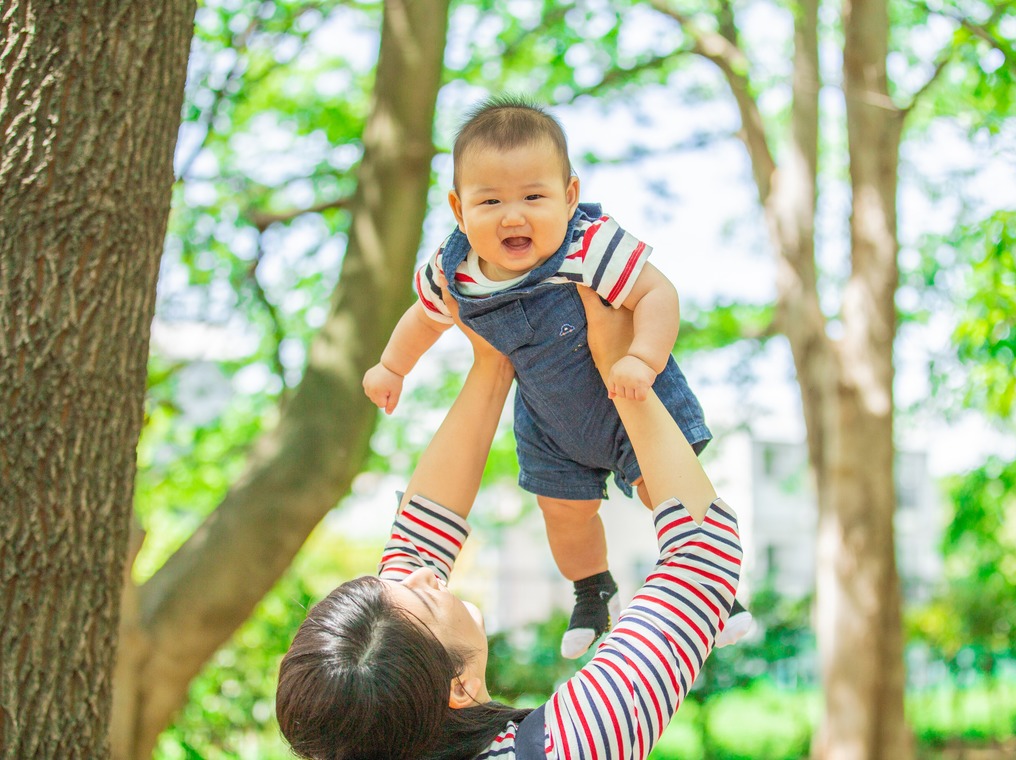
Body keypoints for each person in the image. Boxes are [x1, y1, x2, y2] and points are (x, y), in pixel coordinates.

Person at [279, 286, 744, 760]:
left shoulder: (374, 728)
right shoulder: (568, 747)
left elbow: (417, 545)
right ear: (457, 686)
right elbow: (702, 559)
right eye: (422, 596)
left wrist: (491, 361)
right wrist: (617, 367)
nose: (420, 573)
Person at [362, 95, 751, 657]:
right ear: (458, 208)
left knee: (657, 490)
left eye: (534, 196)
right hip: (547, 418)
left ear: (570, 196)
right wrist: (391, 365)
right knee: (562, 514)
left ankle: (718, 591)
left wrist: (642, 357)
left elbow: (656, 292)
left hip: (625, 393)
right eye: (489, 200)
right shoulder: (457, 269)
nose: (513, 216)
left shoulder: (589, 245)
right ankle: (592, 591)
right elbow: (424, 316)